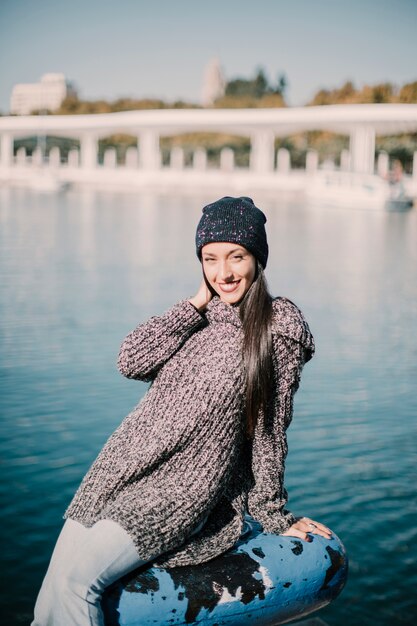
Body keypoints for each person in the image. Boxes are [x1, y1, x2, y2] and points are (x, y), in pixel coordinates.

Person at [31, 196, 331, 626]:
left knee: (76, 585)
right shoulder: (197, 319)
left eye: (236, 257)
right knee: (51, 592)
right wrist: (192, 306)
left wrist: (273, 512)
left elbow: (269, 431)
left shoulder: (276, 328)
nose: (223, 272)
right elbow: (130, 361)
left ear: (258, 260)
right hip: (116, 475)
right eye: (210, 258)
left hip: (180, 491)